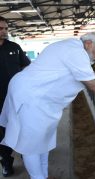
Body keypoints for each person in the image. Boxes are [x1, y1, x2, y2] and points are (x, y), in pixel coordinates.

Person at [0, 32, 95, 179]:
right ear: (88, 44)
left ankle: (41, 176)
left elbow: (94, 77)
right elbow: (94, 86)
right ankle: (37, 176)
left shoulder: (75, 48)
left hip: (41, 99)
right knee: (31, 146)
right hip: (31, 97)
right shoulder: (76, 52)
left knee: (43, 143)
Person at [0, 16, 31, 177]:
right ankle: (6, 162)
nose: (4, 31)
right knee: (2, 133)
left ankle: (27, 156)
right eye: (1, 29)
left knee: (22, 128)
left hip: (17, 97)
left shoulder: (14, 47)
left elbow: (26, 65)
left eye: (6, 28)